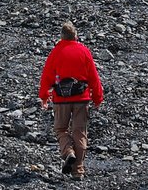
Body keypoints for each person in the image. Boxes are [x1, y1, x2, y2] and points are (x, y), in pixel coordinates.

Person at [38, 22, 104, 180]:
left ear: (61, 36)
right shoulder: (84, 51)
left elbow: (46, 75)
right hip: (81, 98)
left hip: (61, 99)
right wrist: (97, 97)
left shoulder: (56, 52)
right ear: (76, 36)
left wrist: (44, 97)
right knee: (79, 132)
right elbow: (94, 77)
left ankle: (68, 152)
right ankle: (78, 171)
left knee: (60, 129)